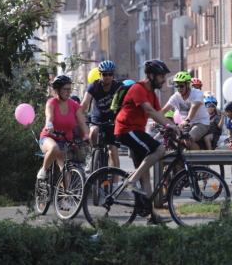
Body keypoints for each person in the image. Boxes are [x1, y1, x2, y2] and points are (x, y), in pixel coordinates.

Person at [114, 59, 179, 225]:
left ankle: (151, 216)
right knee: (159, 150)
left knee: (146, 174)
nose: (164, 80)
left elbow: (158, 112)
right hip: (126, 130)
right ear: (151, 75)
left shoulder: (153, 94)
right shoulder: (138, 88)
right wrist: (168, 126)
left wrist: (174, 126)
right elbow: (149, 111)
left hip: (136, 131)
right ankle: (131, 180)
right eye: (161, 76)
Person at [37, 76, 90, 180]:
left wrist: (87, 136)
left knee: (66, 170)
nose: (68, 92)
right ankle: (43, 169)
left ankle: (65, 194)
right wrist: (49, 125)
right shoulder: (51, 103)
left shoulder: (74, 105)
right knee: (54, 148)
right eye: (65, 89)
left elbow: (81, 122)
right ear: (57, 90)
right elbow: (49, 117)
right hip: (49, 137)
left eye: (69, 89)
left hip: (65, 141)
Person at [80, 60, 121, 177]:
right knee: (93, 130)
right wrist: (78, 116)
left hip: (112, 121)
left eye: (110, 74)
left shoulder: (118, 86)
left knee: (113, 151)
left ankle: (114, 183)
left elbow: (127, 102)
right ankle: (93, 154)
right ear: (99, 75)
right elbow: (84, 103)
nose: (107, 77)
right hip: (97, 118)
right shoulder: (94, 86)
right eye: (104, 74)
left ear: (113, 75)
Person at [161, 72, 210, 150]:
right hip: (186, 124)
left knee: (188, 138)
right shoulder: (176, 96)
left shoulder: (197, 93)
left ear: (188, 84)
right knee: (177, 143)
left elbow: (194, 107)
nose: (179, 88)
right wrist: (155, 120)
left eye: (181, 86)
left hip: (201, 122)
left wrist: (187, 120)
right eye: (177, 86)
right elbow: (164, 110)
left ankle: (201, 158)